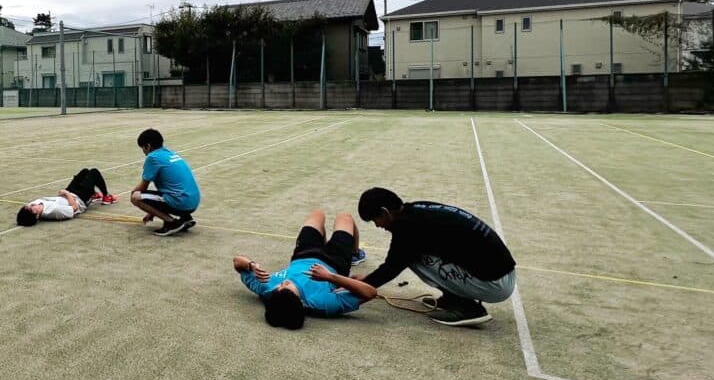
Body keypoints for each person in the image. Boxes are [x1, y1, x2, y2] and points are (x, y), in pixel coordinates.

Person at [355, 187, 517, 327]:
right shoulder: (415, 209)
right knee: (414, 251)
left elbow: (391, 268)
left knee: (413, 257)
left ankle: (468, 308)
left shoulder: (407, 228)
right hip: (502, 272)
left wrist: (360, 286)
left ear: (385, 212)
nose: (378, 225)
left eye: (376, 220)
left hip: (495, 283)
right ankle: (452, 297)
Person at [232, 209, 376, 329]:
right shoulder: (322, 303)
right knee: (344, 216)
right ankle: (356, 253)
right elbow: (370, 293)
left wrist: (251, 265)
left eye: (279, 287)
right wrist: (329, 277)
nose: (284, 283)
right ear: (300, 303)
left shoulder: (268, 289)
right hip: (335, 261)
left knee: (317, 214)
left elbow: (237, 262)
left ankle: (322, 242)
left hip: (304, 253)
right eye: (287, 287)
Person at [128, 128, 201, 237]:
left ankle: (171, 223)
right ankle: (185, 218)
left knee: (135, 196)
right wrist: (152, 211)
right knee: (165, 193)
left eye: (143, 148)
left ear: (148, 146)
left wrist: (134, 194)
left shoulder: (153, 157)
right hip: (193, 202)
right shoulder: (169, 153)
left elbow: (143, 186)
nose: (143, 152)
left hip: (180, 201)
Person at [16, 168, 117, 226]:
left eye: (27, 206)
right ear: (37, 216)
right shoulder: (55, 212)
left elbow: (27, 212)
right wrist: (66, 193)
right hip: (79, 200)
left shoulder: (33, 207)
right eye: (32, 209)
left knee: (85, 172)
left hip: (69, 193)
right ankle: (106, 196)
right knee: (94, 172)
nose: (32, 205)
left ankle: (92, 194)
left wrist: (65, 193)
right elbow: (74, 208)